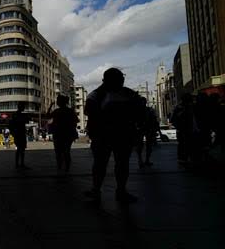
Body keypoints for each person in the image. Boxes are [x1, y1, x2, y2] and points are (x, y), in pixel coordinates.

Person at [84, 67, 142, 204]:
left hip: (120, 135)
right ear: (111, 80)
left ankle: (115, 190)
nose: (123, 80)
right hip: (104, 135)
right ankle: (100, 189)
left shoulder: (126, 93)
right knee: (103, 164)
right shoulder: (97, 95)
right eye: (120, 78)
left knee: (118, 163)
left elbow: (139, 109)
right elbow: (89, 112)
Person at [50, 95, 79, 172]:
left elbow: (47, 116)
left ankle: (60, 167)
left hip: (58, 134)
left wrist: (50, 106)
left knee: (58, 152)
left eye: (58, 100)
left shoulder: (56, 111)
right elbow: (76, 120)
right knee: (66, 151)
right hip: (68, 134)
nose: (57, 102)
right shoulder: (70, 111)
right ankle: (67, 168)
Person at [135, 97, 159, 168]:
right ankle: (141, 160)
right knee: (141, 146)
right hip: (141, 129)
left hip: (147, 129)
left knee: (148, 146)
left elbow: (154, 121)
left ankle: (145, 160)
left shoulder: (148, 110)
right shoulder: (139, 111)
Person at [171, 93, 194, 163]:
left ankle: (187, 158)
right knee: (183, 144)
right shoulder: (179, 108)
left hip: (190, 130)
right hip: (183, 130)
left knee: (188, 144)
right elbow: (173, 119)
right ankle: (183, 158)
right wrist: (179, 127)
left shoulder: (192, 107)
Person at [10, 102, 29, 169]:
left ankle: (20, 164)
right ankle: (19, 164)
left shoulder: (20, 115)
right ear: (20, 107)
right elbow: (11, 125)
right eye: (23, 106)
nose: (24, 108)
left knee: (21, 149)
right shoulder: (16, 115)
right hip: (19, 134)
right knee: (19, 149)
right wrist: (13, 133)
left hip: (20, 134)